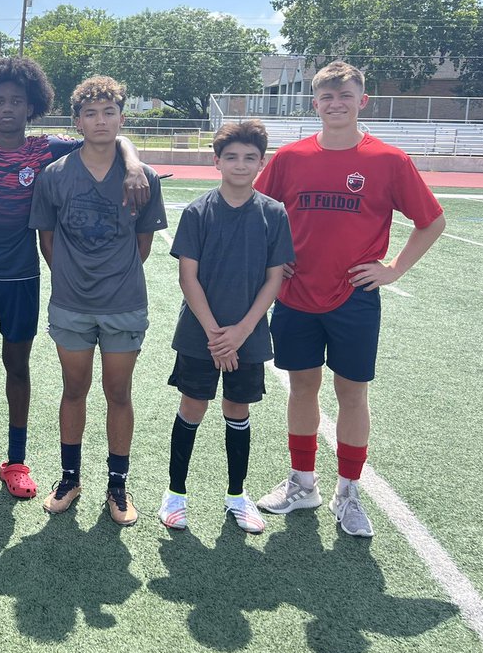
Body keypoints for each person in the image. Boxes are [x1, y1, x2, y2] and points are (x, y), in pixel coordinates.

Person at [0, 58, 148, 501]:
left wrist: (132, 161)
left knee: (17, 367)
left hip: (22, 278)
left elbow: (109, 136)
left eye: (17, 100)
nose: (8, 108)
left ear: (33, 105)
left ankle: (15, 461)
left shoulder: (47, 150)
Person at [254, 61, 445, 538]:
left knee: (352, 393)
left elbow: (432, 221)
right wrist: (274, 259)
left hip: (354, 298)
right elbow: (254, 212)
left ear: (363, 101)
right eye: (326, 96)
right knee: (302, 387)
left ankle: (348, 492)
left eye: (345, 95)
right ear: (313, 103)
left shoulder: (388, 160)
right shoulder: (291, 158)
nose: (335, 103)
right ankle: (303, 484)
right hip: (295, 294)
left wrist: (394, 268)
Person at [29, 75, 167, 526]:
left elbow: (143, 244)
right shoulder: (54, 175)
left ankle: (117, 483)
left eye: (109, 112)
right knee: (74, 389)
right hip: (70, 303)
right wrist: (74, 278)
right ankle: (70, 477)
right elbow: (47, 242)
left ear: (122, 119)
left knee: (118, 392)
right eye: (91, 113)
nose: (101, 120)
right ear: (77, 121)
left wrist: (113, 276)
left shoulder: (142, 177)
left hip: (124, 303)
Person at [157, 120, 293, 534]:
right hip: (201, 334)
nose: (240, 164)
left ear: (261, 163)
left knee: (238, 410)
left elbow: (275, 278)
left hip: (248, 335)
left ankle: (237, 495)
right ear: (217, 161)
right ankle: (175, 494)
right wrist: (218, 334)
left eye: (249, 158)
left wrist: (242, 331)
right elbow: (188, 278)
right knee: (192, 407)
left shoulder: (273, 212)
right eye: (231, 157)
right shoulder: (199, 211)